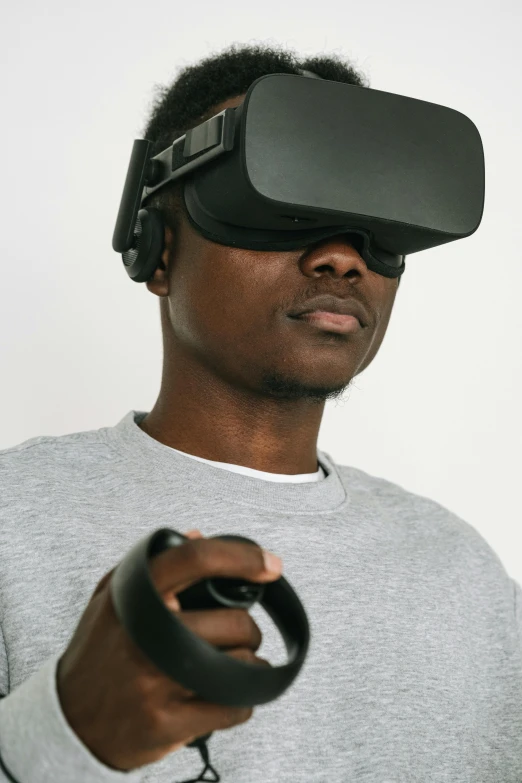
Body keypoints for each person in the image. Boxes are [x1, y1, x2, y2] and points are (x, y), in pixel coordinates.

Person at [0, 42, 520, 783]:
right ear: (155, 247)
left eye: (375, 226)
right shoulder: (12, 520)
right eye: (277, 206)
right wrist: (58, 735)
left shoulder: (466, 575)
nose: (342, 258)